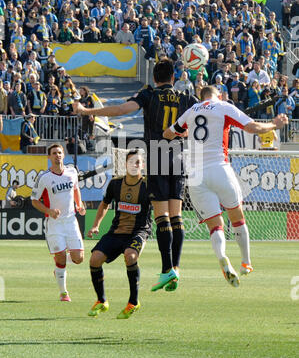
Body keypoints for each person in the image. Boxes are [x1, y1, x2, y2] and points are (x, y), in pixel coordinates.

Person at [73, 58, 199, 292]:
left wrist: (86, 110)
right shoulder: (186, 98)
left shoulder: (148, 95)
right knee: (176, 215)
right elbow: (202, 118)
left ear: (154, 78)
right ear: (173, 77)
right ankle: (177, 268)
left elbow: (121, 110)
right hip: (180, 158)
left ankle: (166, 269)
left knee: (162, 216)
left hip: (158, 156)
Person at [163, 85, 288, 287]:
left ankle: (222, 256)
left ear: (200, 97)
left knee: (215, 225)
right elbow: (252, 128)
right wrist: (274, 125)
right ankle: (246, 262)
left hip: (195, 176)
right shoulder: (223, 107)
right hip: (220, 168)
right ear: (219, 95)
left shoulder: (191, 111)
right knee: (237, 217)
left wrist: (187, 134)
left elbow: (168, 133)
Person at [87, 150, 151, 319]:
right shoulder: (115, 184)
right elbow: (104, 205)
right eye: (131, 162)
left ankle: (133, 302)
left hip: (139, 231)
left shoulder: (147, 186)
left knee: (130, 256)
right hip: (116, 232)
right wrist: (95, 226)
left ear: (142, 165)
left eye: (138, 162)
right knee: (94, 259)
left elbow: (161, 205)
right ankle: (101, 301)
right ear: (125, 165)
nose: (135, 165)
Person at [31, 143, 86, 302]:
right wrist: (49, 211)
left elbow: (76, 189)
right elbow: (34, 200)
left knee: (79, 258)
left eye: (59, 152)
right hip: (54, 224)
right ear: (49, 157)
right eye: (54, 153)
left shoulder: (72, 172)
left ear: (63, 155)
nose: (57, 155)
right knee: (61, 257)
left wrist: (79, 204)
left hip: (70, 221)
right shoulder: (44, 178)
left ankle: (58, 266)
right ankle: (63, 293)